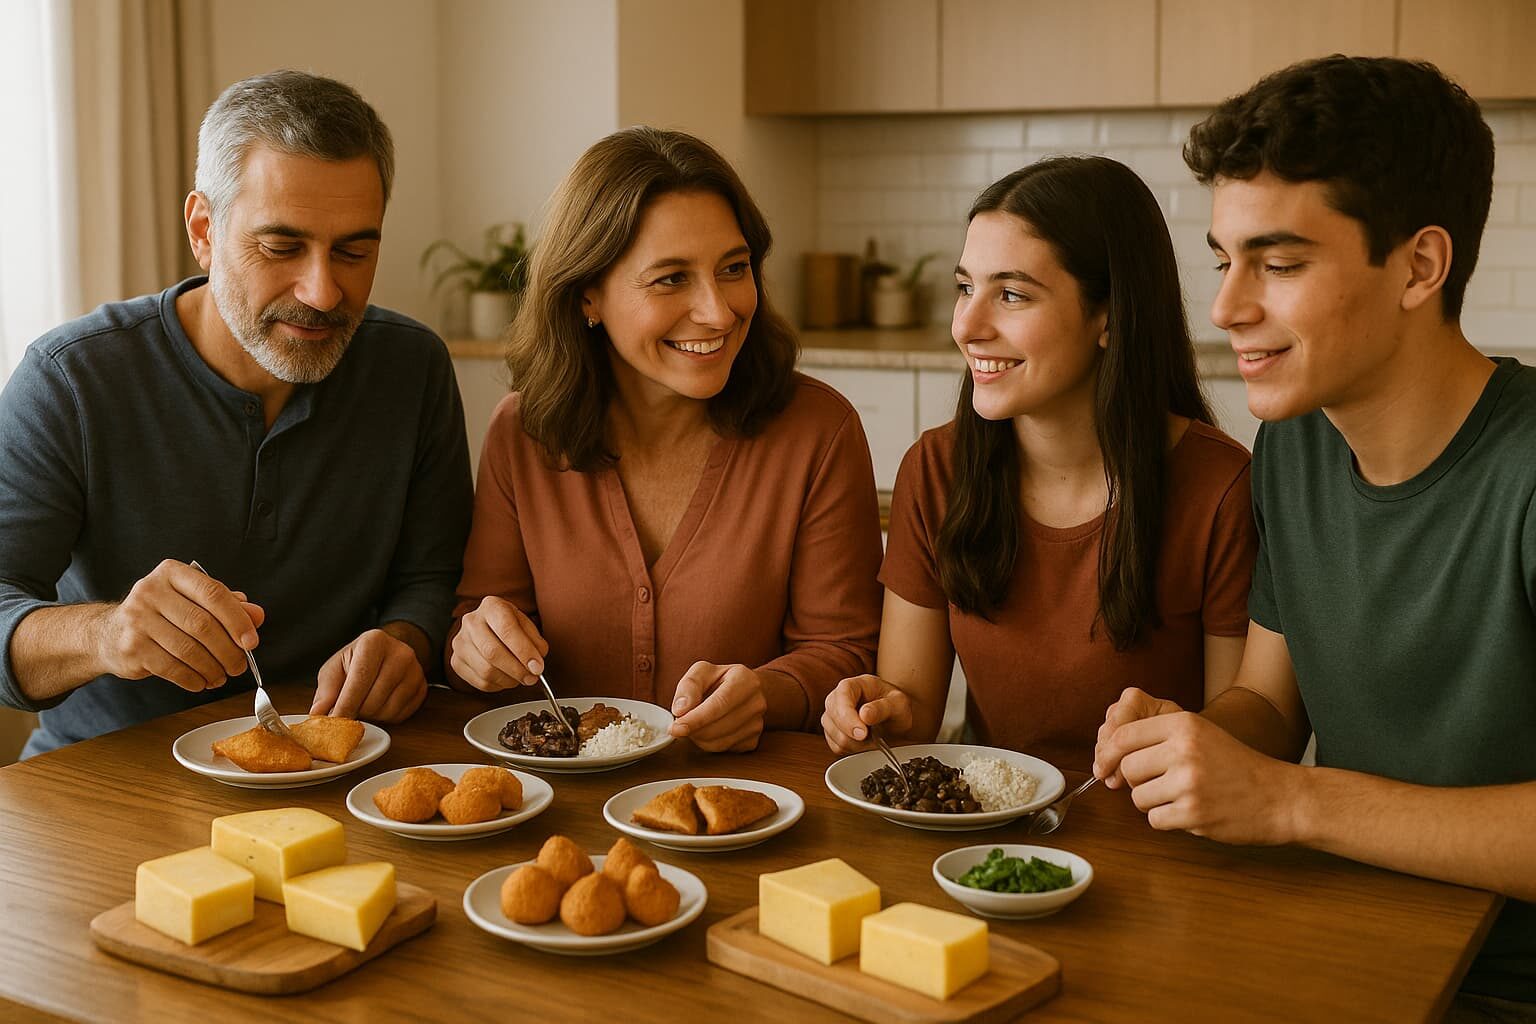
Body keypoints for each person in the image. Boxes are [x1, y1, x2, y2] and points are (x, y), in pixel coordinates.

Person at [1092, 56, 1536, 1015]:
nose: (1226, 308)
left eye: (1280, 264)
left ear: (1420, 266)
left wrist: (1290, 801)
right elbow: (1269, 701)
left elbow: (1292, 791)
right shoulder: (1293, 446)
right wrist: (1193, 746)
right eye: (1225, 260)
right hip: (1344, 937)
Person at [0, 70, 473, 756]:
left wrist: (406, 641)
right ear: (203, 229)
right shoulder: (71, 379)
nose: (322, 291)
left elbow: (431, 578)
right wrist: (107, 635)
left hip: (336, 765)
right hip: (104, 774)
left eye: (354, 251)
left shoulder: (413, 367)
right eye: (281, 247)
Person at [446, 127, 883, 752]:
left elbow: (844, 652)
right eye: (671, 279)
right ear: (588, 295)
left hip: (746, 799)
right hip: (554, 798)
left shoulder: (819, 430)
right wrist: (476, 648)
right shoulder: (522, 432)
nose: (719, 311)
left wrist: (766, 693)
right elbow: (474, 629)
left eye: (733, 269)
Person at [820, 156, 1257, 772]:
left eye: (1012, 294)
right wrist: (874, 713)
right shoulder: (936, 469)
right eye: (965, 288)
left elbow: (1239, 742)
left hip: (1152, 819)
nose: (967, 326)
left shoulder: (1220, 489)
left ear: (1109, 316)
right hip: (987, 819)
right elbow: (911, 711)